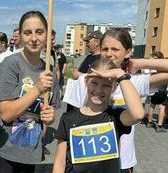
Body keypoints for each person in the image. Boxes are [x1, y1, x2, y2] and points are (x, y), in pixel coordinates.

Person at [63, 28, 168, 172]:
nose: (109, 54)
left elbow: (137, 114)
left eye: (115, 49)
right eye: (105, 48)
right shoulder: (85, 80)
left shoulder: (134, 82)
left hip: (122, 164)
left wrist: (142, 63)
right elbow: (70, 123)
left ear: (127, 52)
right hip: (87, 162)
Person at [0, 10, 60, 173]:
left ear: (47, 35)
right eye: (27, 33)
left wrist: (50, 117)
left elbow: (52, 112)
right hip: (2, 153)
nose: (34, 38)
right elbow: (7, 114)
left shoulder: (49, 71)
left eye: (39, 32)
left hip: (29, 154)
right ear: (21, 36)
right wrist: (37, 89)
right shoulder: (11, 64)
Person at [53, 58, 144, 173]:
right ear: (86, 81)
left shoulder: (116, 116)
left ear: (114, 87)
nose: (99, 90)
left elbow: (138, 114)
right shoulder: (68, 119)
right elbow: (60, 162)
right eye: (94, 83)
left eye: (106, 85)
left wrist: (120, 75)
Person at [147, 51, 167, 132]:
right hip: (161, 90)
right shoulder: (163, 68)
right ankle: (159, 126)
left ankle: (149, 122)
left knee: (152, 106)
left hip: (154, 90)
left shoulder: (154, 69)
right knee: (161, 108)